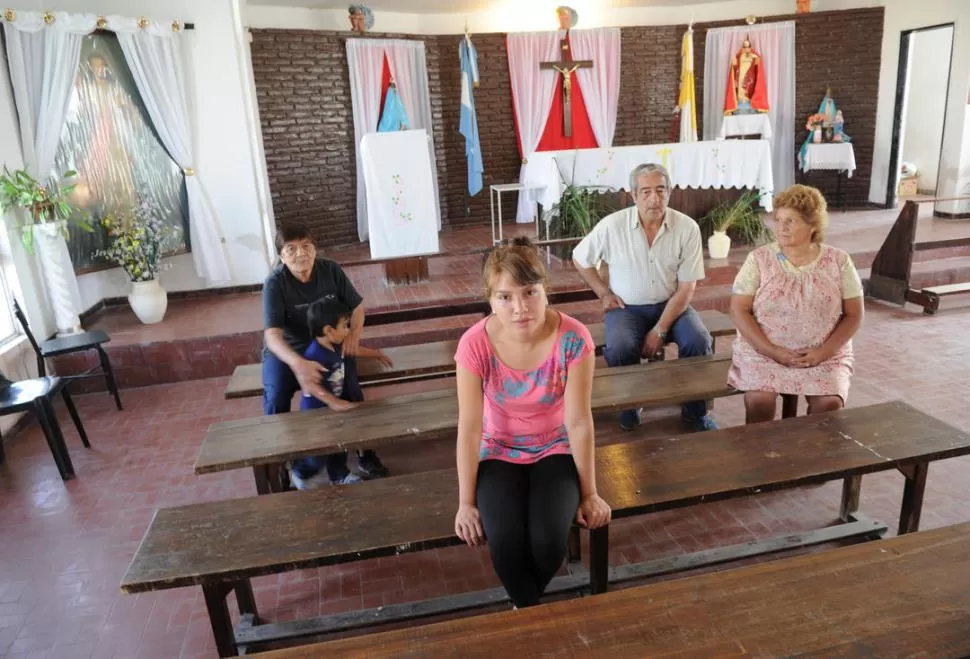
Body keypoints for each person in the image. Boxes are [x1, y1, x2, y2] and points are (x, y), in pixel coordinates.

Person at [453, 237, 611, 609]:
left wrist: (589, 492)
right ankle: (531, 615)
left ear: (546, 291)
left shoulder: (573, 339)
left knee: (548, 541)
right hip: (497, 450)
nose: (520, 308)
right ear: (490, 299)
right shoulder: (475, 344)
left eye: (530, 292)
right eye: (505, 297)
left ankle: (523, 613)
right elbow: (470, 427)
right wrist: (465, 501)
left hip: (555, 447)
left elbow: (578, 421)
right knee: (504, 540)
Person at [572, 163, 718, 432]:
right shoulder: (612, 226)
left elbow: (687, 287)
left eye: (661, 190)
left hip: (672, 303)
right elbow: (580, 258)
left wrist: (660, 329)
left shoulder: (686, 228)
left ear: (670, 192)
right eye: (647, 191)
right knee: (620, 345)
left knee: (699, 340)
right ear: (633, 194)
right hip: (626, 308)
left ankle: (695, 411)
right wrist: (603, 293)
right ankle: (629, 406)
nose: (655, 198)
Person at [728, 184, 864, 423]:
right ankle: (759, 457)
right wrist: (773, 351)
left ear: (813, 225)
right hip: (763, 352)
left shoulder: (838, 261)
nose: (781, 227)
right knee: (760, 401)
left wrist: (822, 352)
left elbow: (854, 315)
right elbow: (739, 309)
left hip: (824, 354)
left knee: (828, 404)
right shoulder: (759, 260)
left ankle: (808, 457)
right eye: (778, 219)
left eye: (791, 221)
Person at [262, 224, 390, 479]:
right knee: (276, 395)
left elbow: (357, 307)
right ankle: (282, 461)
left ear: (315, 249)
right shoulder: (275, 283)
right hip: (290, 350)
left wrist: (354, 334)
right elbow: (272, 336)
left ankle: (366, 452)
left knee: (350, 388)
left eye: (306, 246)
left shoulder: (330, 269)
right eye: (291, 249)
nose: (300, 254)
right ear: (281, 256)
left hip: (331, 345)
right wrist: (298, 364)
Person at [289, 296, 393, 489]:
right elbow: (309, 385)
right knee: (318, 454)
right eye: (345, 326)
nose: (348, 330)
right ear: (329, 330)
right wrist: (331, 401)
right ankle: (300, 472)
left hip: (334, 409)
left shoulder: (337, 343)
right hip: (316, 413)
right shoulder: (314, 355)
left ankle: (338, 475)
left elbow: (355, 350)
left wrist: (377, 353)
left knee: (340, 445)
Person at [724, 37, 769, 115]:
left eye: (748, 46)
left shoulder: (754, 56)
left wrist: (757, 60)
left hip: (750, 76)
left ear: (750, 47)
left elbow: (758, 68)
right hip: (741, 74)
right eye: (744, 46)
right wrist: (733, 64)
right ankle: (741, 100)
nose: (746, 48)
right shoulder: (739, 56)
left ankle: (750, 101)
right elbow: (735, 67)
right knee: (741, 88)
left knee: (749, 88)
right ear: (742, 48)